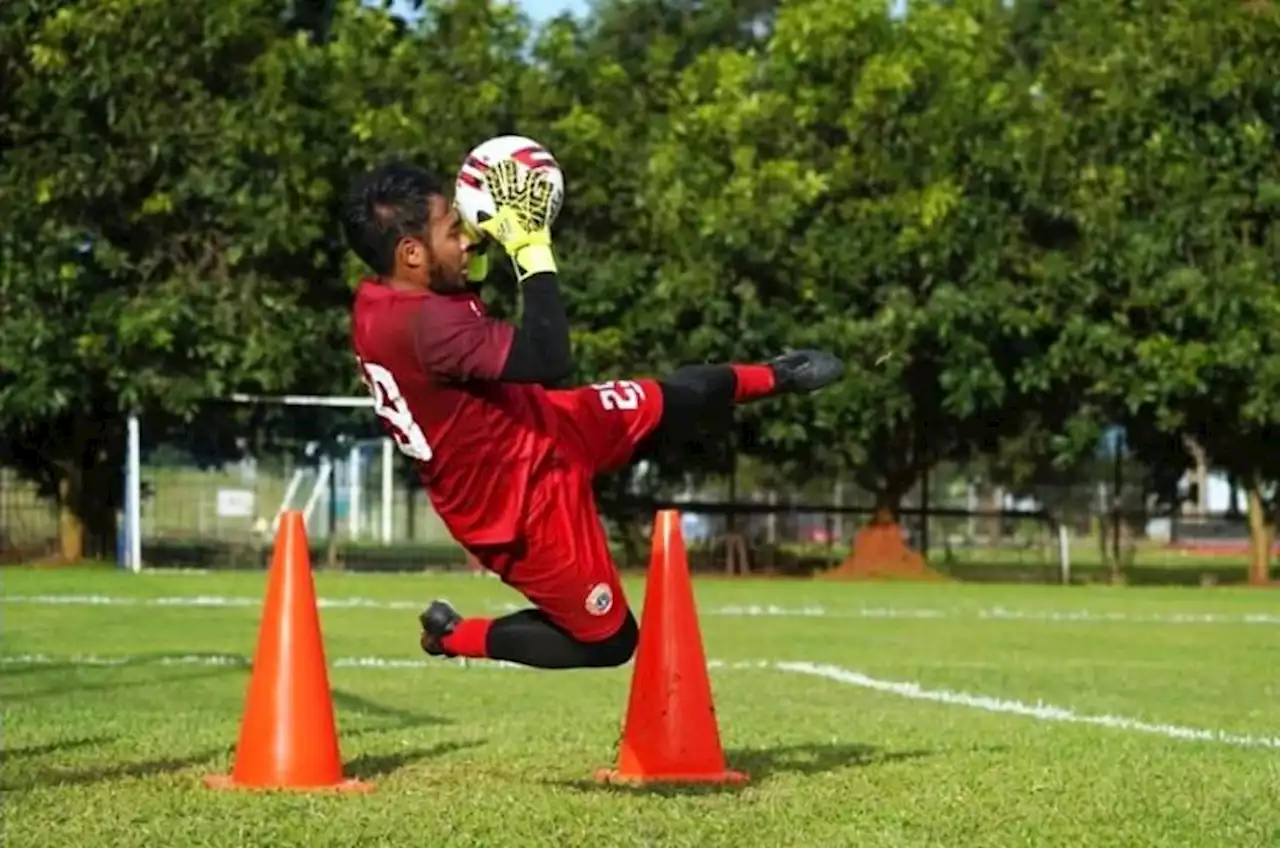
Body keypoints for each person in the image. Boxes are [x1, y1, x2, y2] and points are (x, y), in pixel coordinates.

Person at [340, 157, 844, 670]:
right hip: (517, 503)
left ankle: (779, 374)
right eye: (454, 230)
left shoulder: (384, 297)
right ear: (410, 252)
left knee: (671, 398)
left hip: (539, 422)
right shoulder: (426, 327)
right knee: (609, 640)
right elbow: (549, 358)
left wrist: (481, 240)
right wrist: (530, 246)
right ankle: (455, 636)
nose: (467, 237)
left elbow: (459, 309)